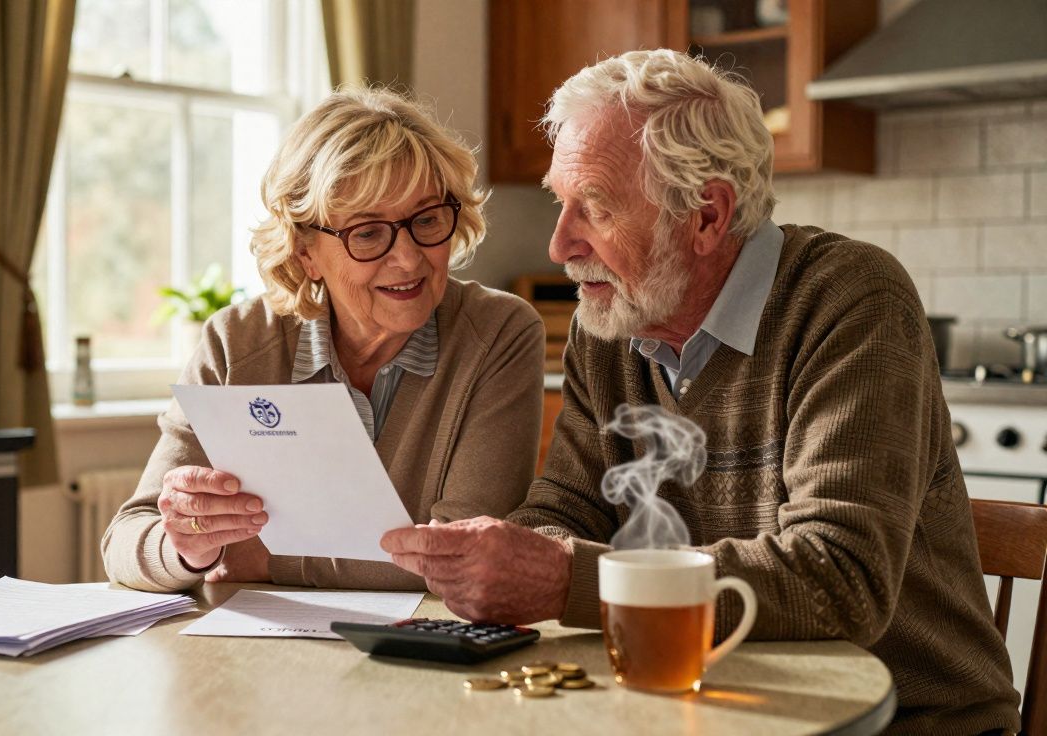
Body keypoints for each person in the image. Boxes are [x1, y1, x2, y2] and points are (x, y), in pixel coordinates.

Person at [381, 50, 1020, 734]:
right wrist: (519, 555)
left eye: (592, 208)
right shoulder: (609, 327)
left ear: (707, 215)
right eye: (559, 204)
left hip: (904, 719)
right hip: (704, 707)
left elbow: (842, 577)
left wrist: (564, 577)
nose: (560, 242)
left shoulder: (850, 299)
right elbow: (567, 507)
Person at [103, 87, 545, 592]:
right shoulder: (237, 342)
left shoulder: (499, 335)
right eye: (368, 232)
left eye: (426, 220)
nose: (408, 259)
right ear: (305, 253)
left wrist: (261, 558)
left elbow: (463, 561)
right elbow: (125, 541)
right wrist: (184, 546)